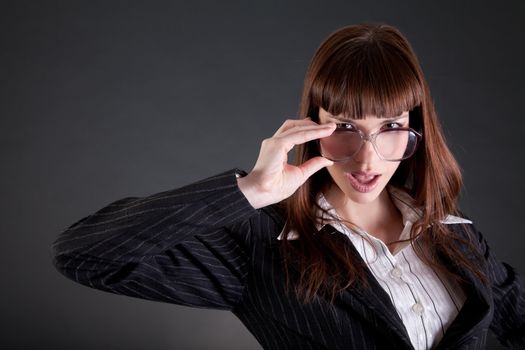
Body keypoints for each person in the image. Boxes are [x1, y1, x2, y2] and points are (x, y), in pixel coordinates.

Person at [52, 23, 525, 349]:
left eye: (391, 127)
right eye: (344, 127)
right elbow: (85, 254)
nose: (367, 157)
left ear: (415, 128)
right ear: (312, 125)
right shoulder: (264, 245)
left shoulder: (454, 234)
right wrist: (250, 191)